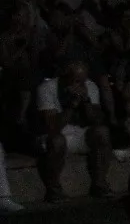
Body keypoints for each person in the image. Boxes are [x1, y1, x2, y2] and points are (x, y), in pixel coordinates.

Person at [36, 60, 114, 200]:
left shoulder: (90, 86)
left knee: (102, 132)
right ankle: (54, 189)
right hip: (54, 135)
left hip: (80, 134)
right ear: (66, 77)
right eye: (76, 81)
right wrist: (71, 105)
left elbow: (96, 120)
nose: (81, 84)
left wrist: (86, 102)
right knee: (57, 141)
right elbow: (53, 127)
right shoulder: (47, 88)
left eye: (83, 80)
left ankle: (100, 184)